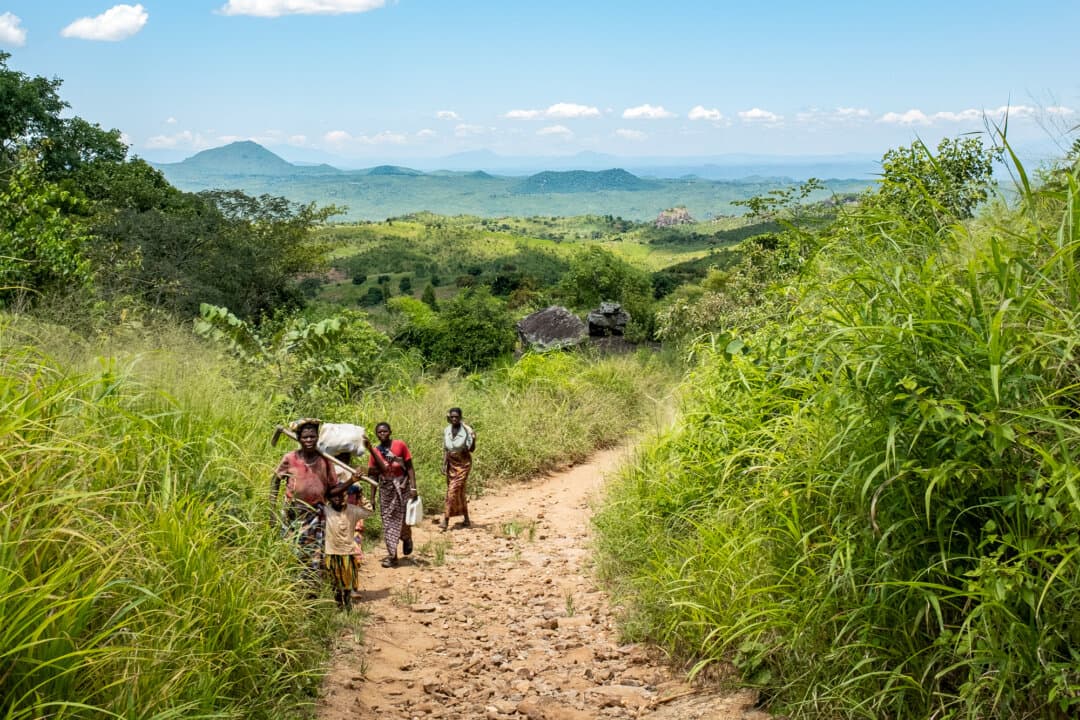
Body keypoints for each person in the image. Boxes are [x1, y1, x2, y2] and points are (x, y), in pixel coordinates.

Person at [270, 419, 336, 586]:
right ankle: (293, 587)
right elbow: (275, 480)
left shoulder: (325, 460)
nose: (309, 440)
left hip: (316, 515)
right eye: (305, 437)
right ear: (298, 438)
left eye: (312, 436)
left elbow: (332, 490)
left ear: (317, 438)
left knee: (315, 554)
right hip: (293, 514)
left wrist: (352, 480)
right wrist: (272, 509)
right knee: (293, 552)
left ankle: (311, 590)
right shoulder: (290, 458)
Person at [365, 422, 417, 568]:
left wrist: (413, 487)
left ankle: (406, 537)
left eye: (385, 431)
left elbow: (410, 467)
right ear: (377, 435)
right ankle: (392, 556)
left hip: (402, 487)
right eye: (379, 432)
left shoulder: (400, 445)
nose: (382, 434)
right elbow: (373, 476)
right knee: (388, 521)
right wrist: (372, 498)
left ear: (390, 432)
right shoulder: (375, 452)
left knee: (403, 518)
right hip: (386, 489)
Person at [323, 485, 370, 611]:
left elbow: (369, 511)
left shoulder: (352, 510)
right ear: (329, 498)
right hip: (331, 552)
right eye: (334, 496)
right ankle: (339, 604)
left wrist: (361, 495)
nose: (337, 498)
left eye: (340, 495)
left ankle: (348, 603)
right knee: (334, 581)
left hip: (347, 552)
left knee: (348, 581)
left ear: (345, 496)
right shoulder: (325, 511)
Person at [440, 407, 476, 531]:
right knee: (459, 491)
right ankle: (466, 519)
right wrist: (444, 464)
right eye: (452, 417)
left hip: (463, 464)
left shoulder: (466, 430)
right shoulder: (447, 430)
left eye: (456, 417)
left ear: (460, 417)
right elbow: (446, 449)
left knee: (452, 490)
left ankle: (446, 520)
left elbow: (471, 449)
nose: (454, 419)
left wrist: (473, 439)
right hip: (451, 464)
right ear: (449, 418)